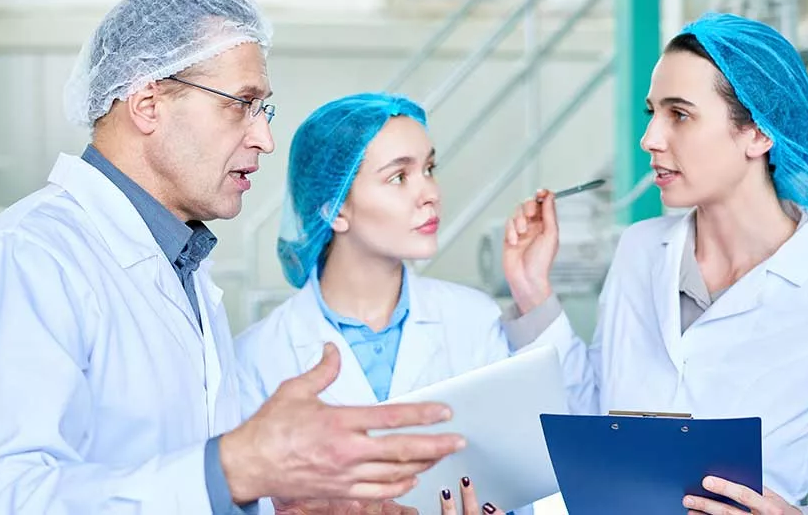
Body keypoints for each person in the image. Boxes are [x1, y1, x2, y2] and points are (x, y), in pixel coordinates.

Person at [0, 0, 467, 515]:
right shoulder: (30, 257)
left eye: (264, 111)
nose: (264, 139)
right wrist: (235, 467)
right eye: (242, 104)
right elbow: (10, 494)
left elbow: (184, 482)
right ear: (148, 104)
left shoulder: (185, 269)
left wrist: (275, 504)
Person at [504, 12, 808, 514]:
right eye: (653, 113)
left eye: (679, 114)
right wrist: (532, 286)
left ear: (758, 133)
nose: (651, 139)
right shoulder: (640, 250)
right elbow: (600, 416)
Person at [233, 92, 588, 514]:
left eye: (429, 169)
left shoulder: (474, 320)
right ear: (334, 209)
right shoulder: (257, 357)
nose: (430, 193)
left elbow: (537, 476)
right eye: (399, 177)